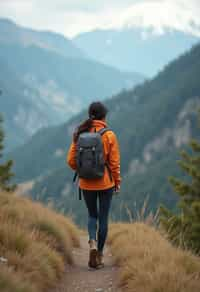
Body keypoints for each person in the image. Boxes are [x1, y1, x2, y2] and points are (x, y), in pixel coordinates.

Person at [67, 101, 121, 269]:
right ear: (104, 116)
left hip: (86, 183)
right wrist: (117, 182)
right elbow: (114, 163)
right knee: (103, 218)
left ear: (90, 115)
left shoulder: (80, 133)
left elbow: (70, 160)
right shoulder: (109, 135)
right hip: (105, 183)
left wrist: (82, 170)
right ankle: (99, 254)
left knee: (92, 215)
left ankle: (92, 244)